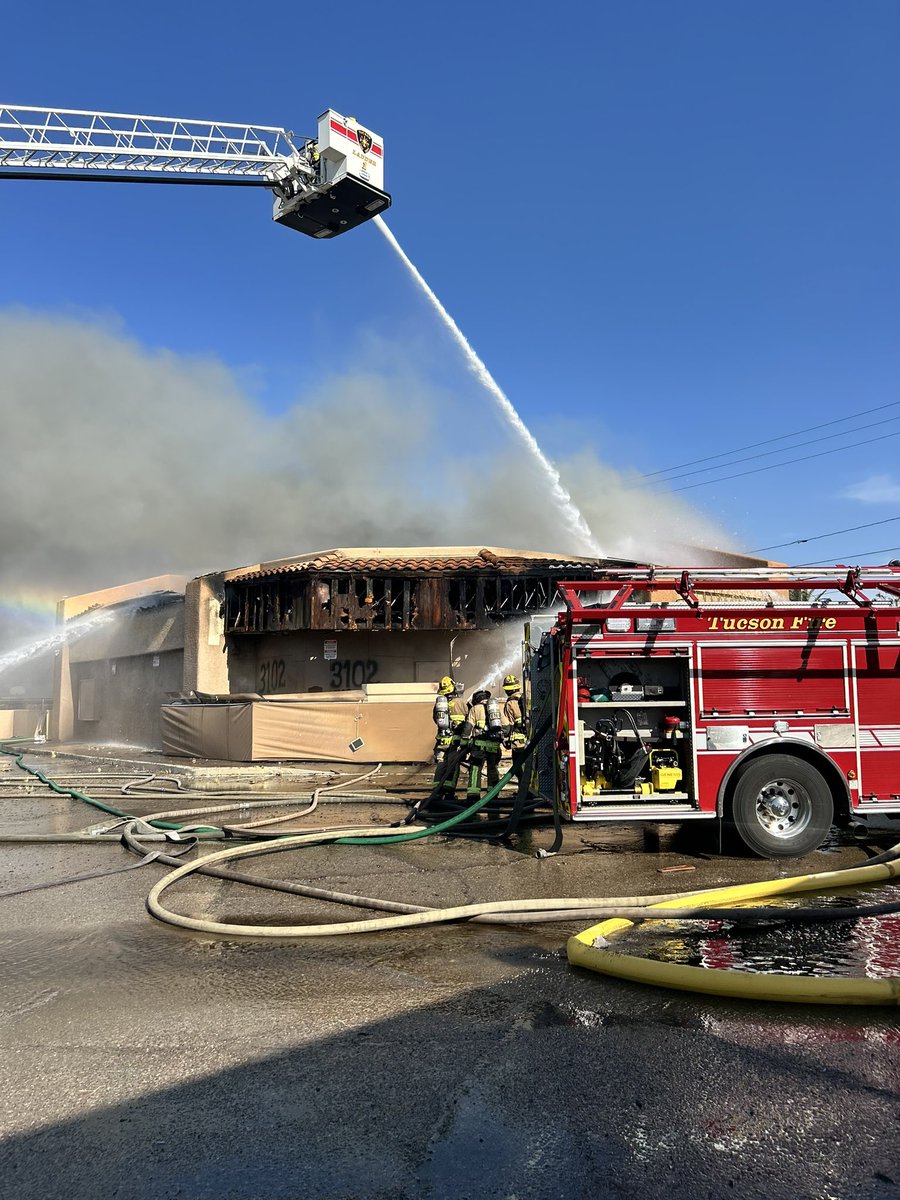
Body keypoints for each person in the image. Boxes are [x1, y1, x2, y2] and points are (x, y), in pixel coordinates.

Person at [459, 688, 503, 800]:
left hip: (479, 746)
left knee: (475, 769)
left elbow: (468, 727)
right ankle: (493, 794)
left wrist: (464, 743)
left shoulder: (475, 709)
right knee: (492, 769)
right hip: (494, 746)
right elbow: (506, 727)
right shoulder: (496, 709)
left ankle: (473, 794)